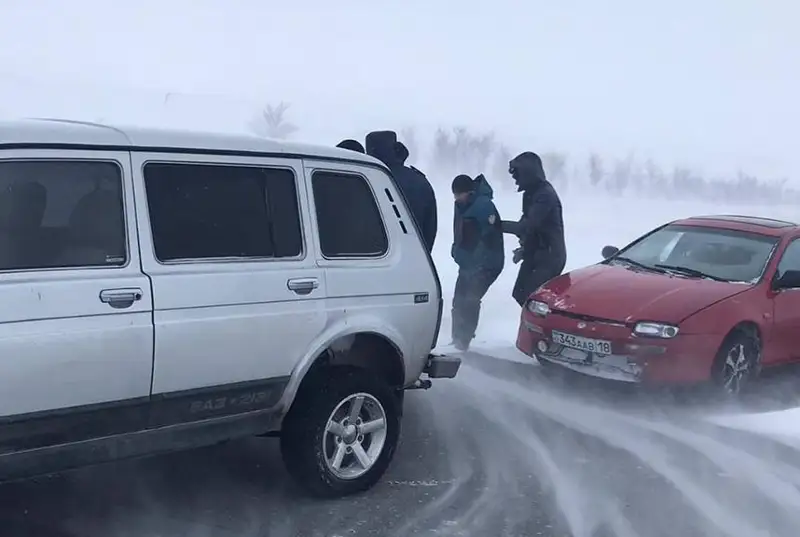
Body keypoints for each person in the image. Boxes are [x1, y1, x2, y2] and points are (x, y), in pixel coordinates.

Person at [501, 151, 567, 307]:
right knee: (520, 293)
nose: (515, 179)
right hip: (535, 253)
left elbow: (527, 226)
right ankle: (537, 325)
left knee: (534, 299)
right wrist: (524, 249)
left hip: (549, 257)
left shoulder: (545, 195)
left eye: (517, 175)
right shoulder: (531, 194)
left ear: (527, 173)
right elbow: (527, 227)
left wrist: (495, 224)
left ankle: (547, 327)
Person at [450, 173, 505, 351]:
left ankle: (464, 340)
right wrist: (456, 251)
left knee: (471, 300)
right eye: (455, 195)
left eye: (460, 194)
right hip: (467, 263)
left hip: (486, 264)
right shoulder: (460, 206)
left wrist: (478, 263)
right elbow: (459, 232)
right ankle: (456, 339)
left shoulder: (483, 206)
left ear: (470, 192)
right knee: (458, 300)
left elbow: (490, 238)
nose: (457, 198)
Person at [365, 130, 437, 252]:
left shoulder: (368, 180)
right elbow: (430, 227)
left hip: (375, 259)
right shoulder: (420, 181)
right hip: (415, 257)